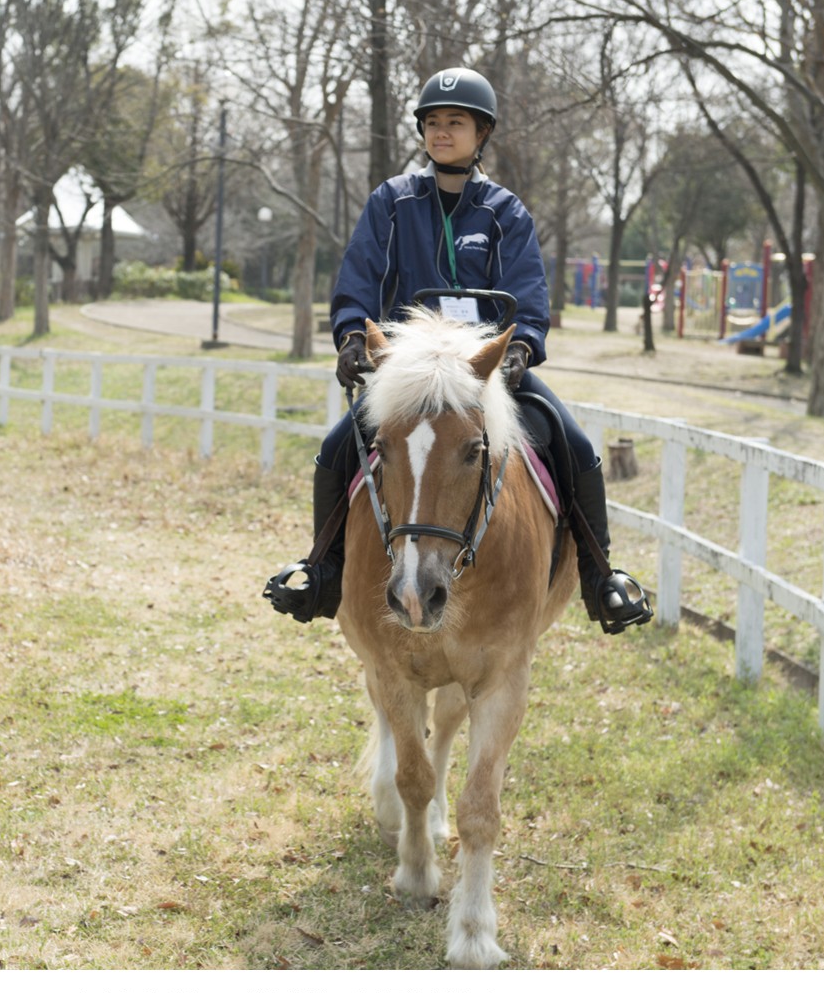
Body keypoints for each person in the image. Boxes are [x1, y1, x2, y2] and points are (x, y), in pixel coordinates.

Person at [263, 66, 651, 634]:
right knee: (333, 449)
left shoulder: (506, 212)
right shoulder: (391, 202)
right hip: (409, 372)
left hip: (481, 373)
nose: (442, 132)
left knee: (575, 443)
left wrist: (519, 346)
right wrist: (351, 336)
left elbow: (527, 295)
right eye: (433, 122)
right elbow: (359, 279)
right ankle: (322, 575)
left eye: (456, 122)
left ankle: (600, 579)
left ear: (482, 133)